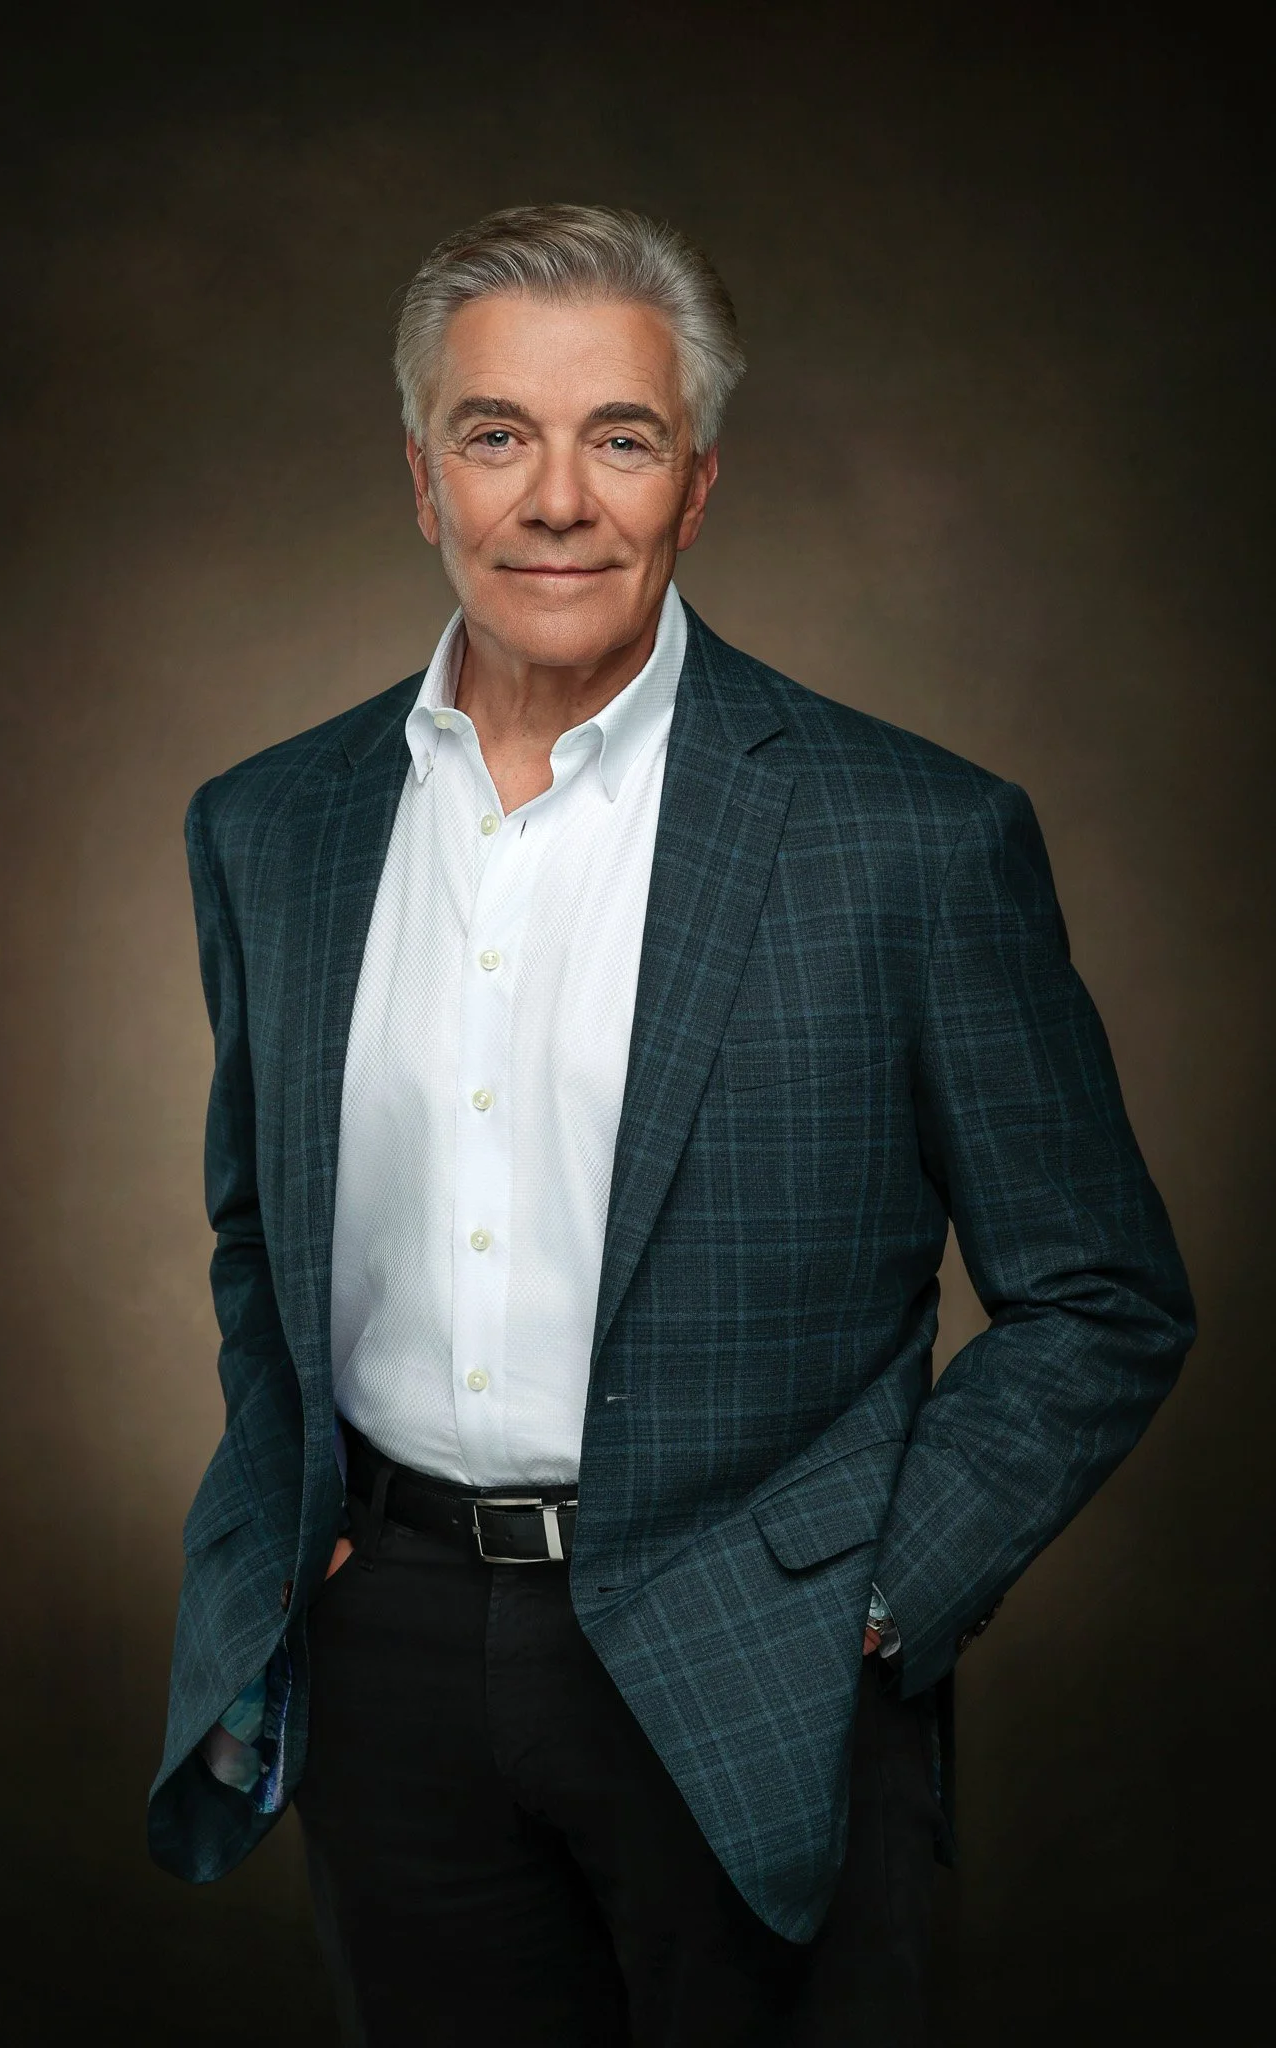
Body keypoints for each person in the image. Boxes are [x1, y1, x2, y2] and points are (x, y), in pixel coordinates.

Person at [148, 205, 1195, 2046]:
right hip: (385, 1650)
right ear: (421, 477)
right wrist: (302, 1515)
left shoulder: (910, 838)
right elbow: (260, 1230)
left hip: (754, 1663)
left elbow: (1101, 1291)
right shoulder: (273, 825)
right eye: (497, 434)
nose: (558, 498)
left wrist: (877, 1602)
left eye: (618, 437)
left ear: (694, 487)